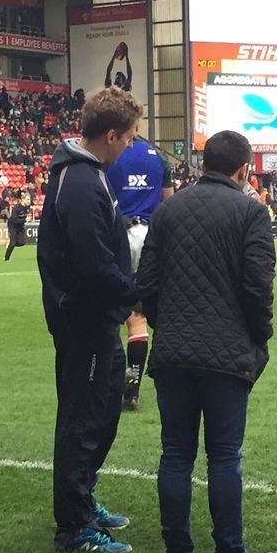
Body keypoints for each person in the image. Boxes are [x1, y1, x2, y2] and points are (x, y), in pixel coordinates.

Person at [136, 129, 277, 553]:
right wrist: (259, 340)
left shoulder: (167, 210)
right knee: (223, 456)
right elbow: (259, 288)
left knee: (175, 454)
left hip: (173, 351)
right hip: (227, 352)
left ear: (203, 164)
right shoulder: (251, 213)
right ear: (243, 169)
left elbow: (147, 285)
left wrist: (168, 327)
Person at [38, 87, 143, 553]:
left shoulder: (86, 175)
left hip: (95, 316)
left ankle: (83, 500)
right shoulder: (81, 181)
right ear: (113, 135)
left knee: (102, 415)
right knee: (84, 419)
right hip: (85, 318)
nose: (132, 146)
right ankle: (74, 524)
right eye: (131, 137)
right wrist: (137, 294)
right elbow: (93, 261)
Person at [110, 126, 167, 412]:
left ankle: (107, 385)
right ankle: (131, 391)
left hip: (119, 235)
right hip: (149, 239)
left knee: (108, 313)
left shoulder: (113, 153)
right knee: (138, 317)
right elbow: (167, 202)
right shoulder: (158, 158)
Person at [3, 192, 29, 262]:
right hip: (13, 225)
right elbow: (14, 220)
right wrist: (24, 220)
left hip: (20, 225)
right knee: (13, 242)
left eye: (29, 199)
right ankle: (6, 258)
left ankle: (11, 242)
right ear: (22, 200)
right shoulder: (16, 208)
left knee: (22, 243)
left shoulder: (27, 207)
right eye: (27, 199)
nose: (29, 201)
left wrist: (24, 222)